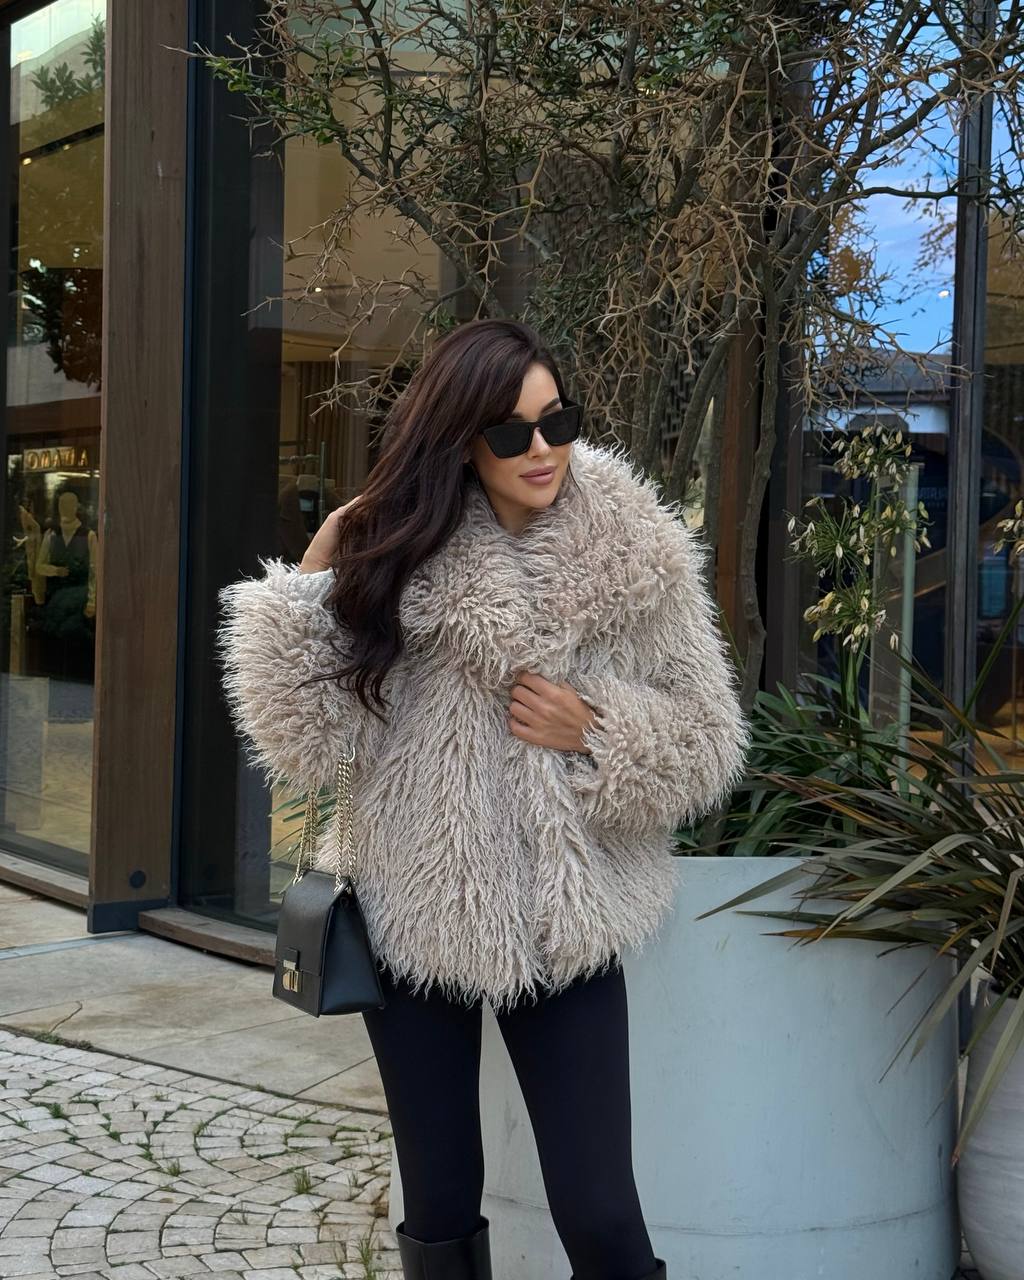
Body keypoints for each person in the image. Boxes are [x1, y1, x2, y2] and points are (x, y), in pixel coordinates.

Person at [217, 319, 750, 1280]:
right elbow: (301, 740)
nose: (540, 450)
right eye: (509, 432)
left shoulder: (638, 552)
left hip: (567, 922)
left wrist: (597, 729)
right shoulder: (397, 550)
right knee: (440, 1208)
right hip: (412, 911)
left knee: (600, 1214)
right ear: (460, 436)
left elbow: (710, 741)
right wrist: (315, 573)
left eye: (556, 422)